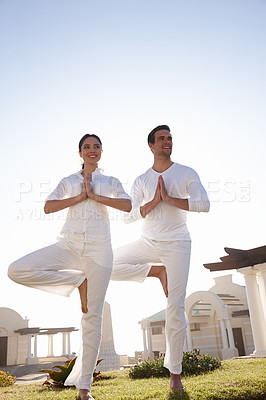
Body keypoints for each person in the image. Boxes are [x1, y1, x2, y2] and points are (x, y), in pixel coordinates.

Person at [8, 134, 132, 400]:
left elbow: (127, 204)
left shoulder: (110, 181)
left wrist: (95, 196)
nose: (92, 150)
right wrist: (80, 196)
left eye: (96, 146)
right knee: (16, 269)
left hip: (100, 252)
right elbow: (48, 207)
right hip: (70, 246)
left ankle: (84, 389)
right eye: (86, 146)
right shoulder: (68, 181)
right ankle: (77, 282)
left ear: (102, 152)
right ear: (80, 153)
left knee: (92, 316)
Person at [111, 125, 210, 391]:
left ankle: (175, 374)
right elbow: (127, 215)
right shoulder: (142, 180)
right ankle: (155, 271)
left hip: (177, 244)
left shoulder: (186, 172)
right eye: (161, 139)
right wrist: (155, 201)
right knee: (103, 264)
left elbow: (204, 204)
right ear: (151, 146)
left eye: (169, 138)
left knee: (175, 308)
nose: (167, 142)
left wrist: (170, 199)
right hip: (148, 242)